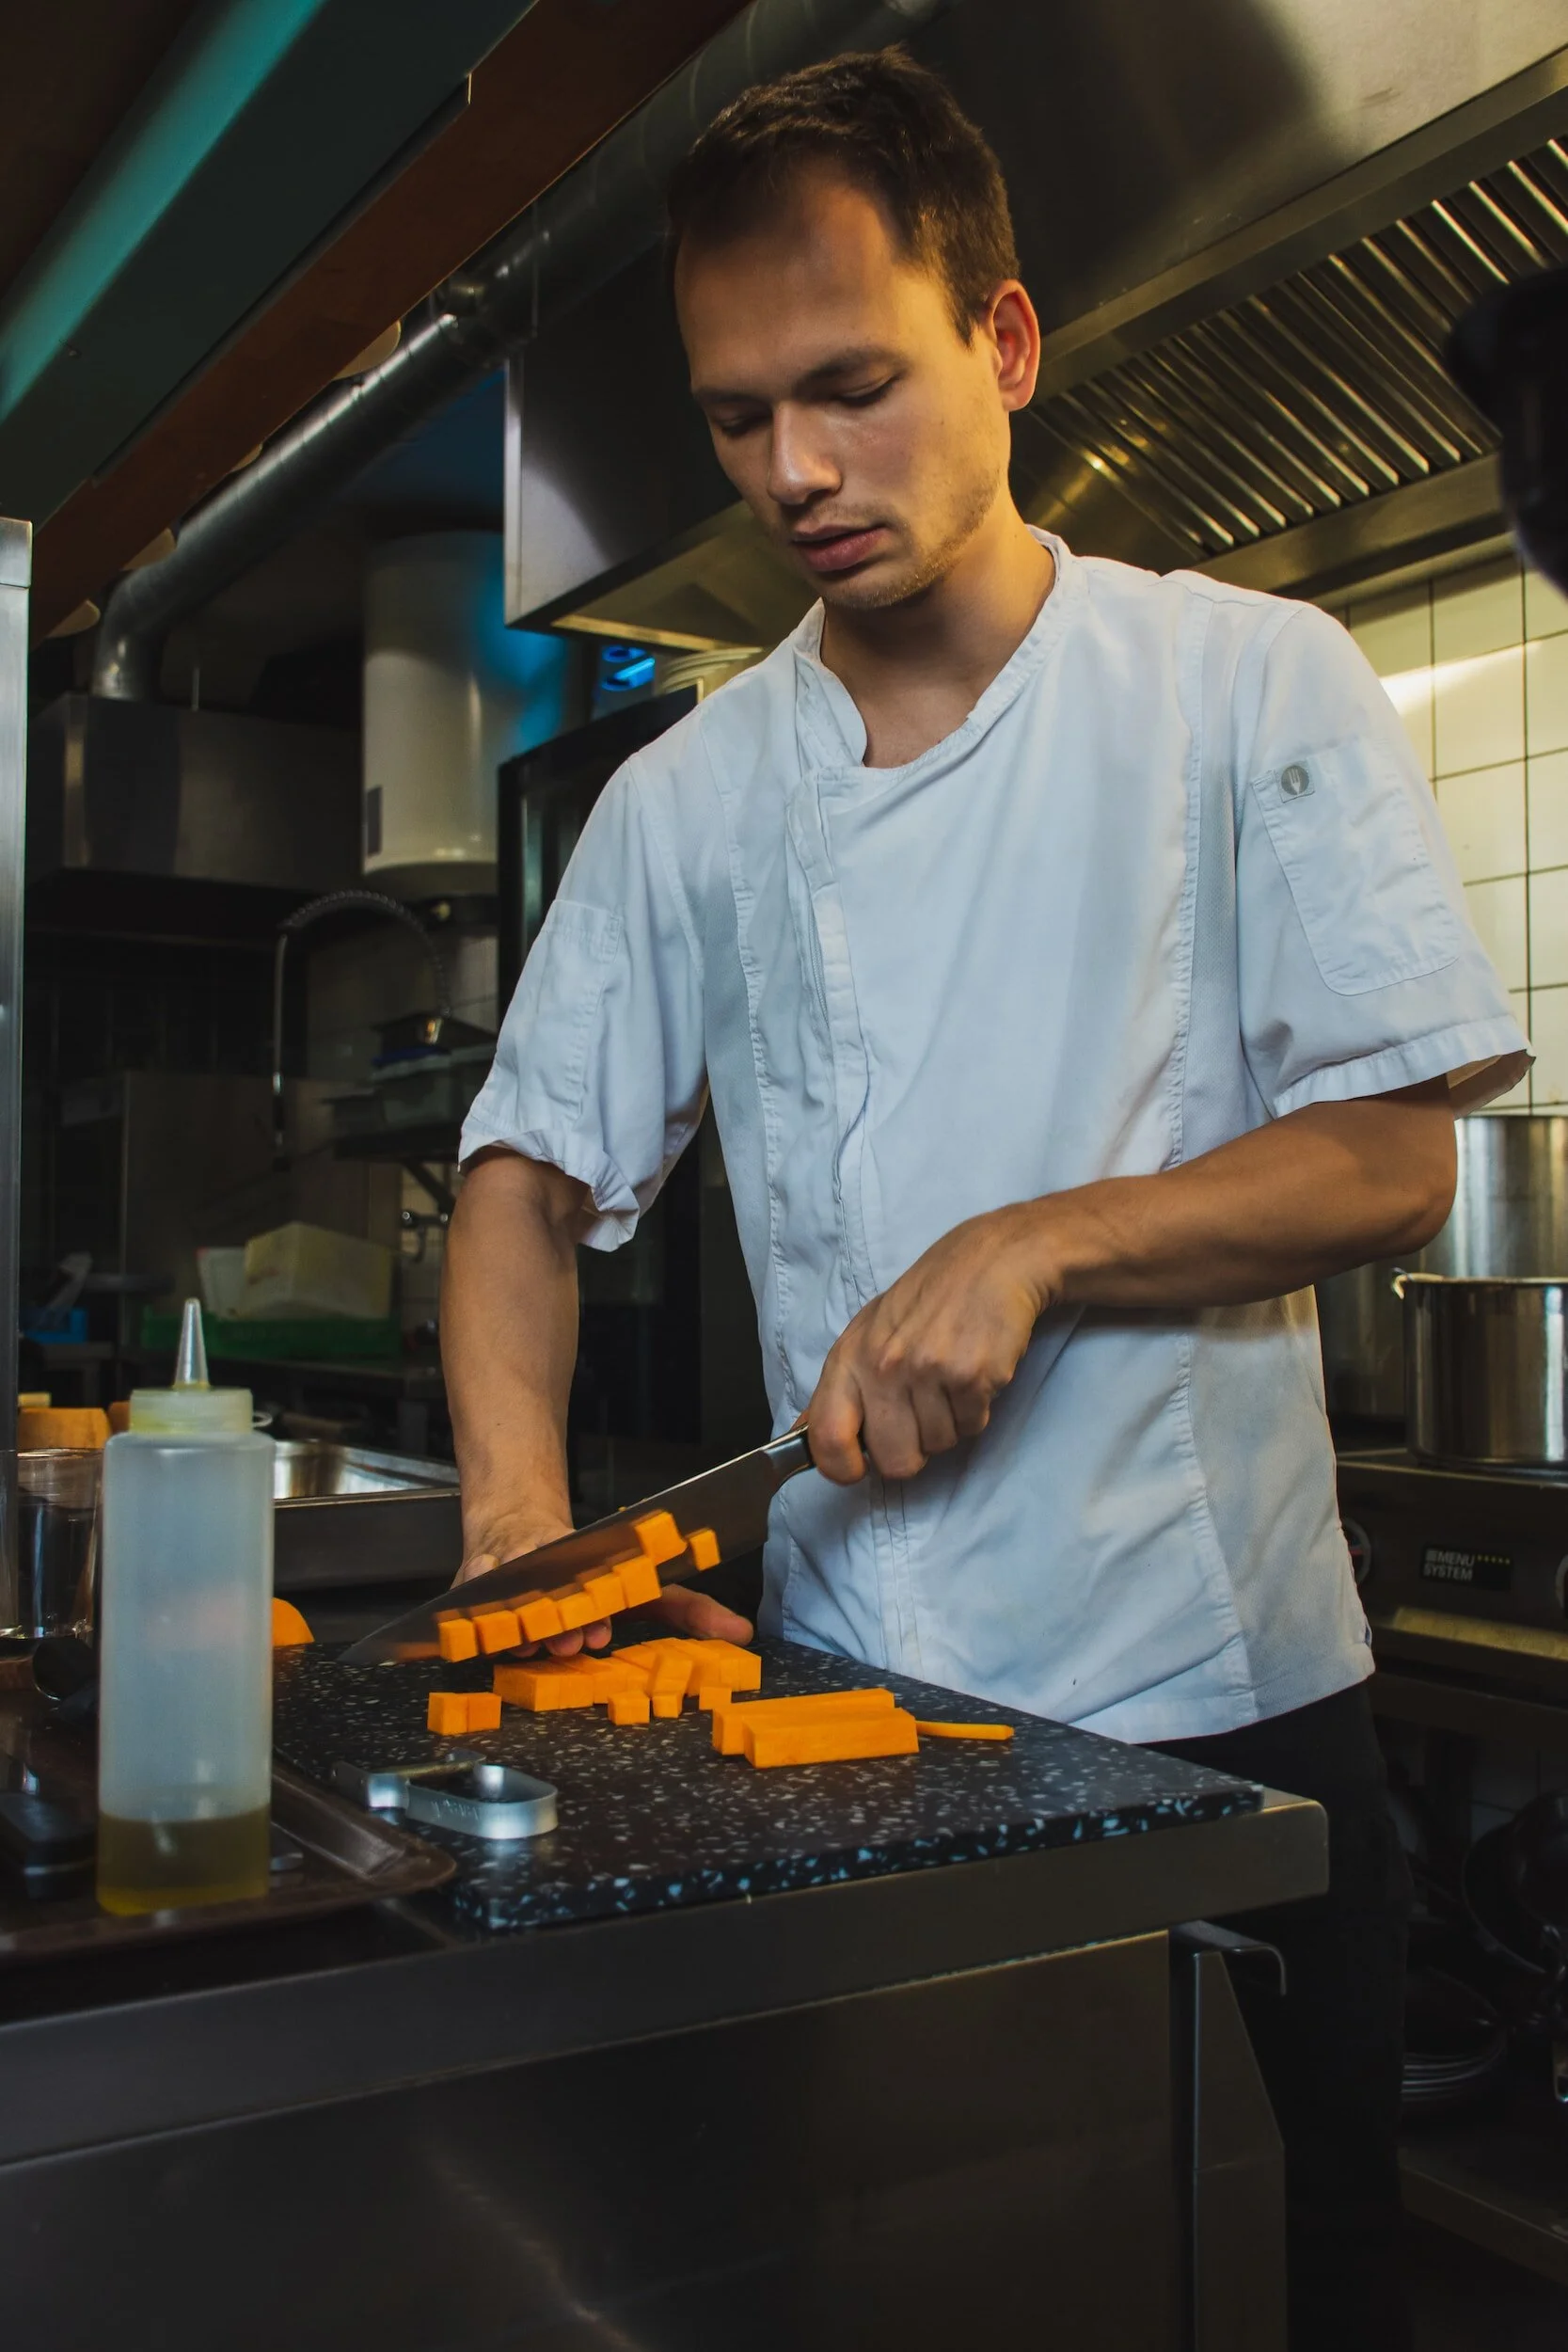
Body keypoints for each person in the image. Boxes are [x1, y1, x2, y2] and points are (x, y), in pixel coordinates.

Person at [444, 50, 1528, 2349]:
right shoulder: (689, 796)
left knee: (1266, 2291)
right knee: (902, 2288)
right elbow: (525, 1178)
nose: (795, 474)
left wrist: (1035, 1239)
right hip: (831, 1731)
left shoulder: (1246, 684)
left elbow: (1390, 1148)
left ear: (1003, 348)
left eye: (849, 387)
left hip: (1208, 1716)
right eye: (737, 421)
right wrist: (517, 1536)